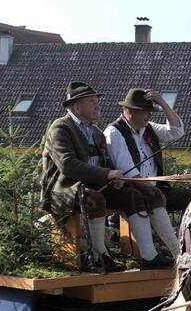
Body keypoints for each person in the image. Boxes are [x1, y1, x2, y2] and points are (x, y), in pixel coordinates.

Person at [41, 82, 147, 273]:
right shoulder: (60, 127)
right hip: (64, 189)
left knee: (134, 196)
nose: (98, 105)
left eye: (97, 101)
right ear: (77, 106)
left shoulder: (96, 131)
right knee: (95, 200)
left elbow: (103, 163)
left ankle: (149, 256)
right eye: (92, 102)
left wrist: (113, 178)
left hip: (94, 186)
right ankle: (99, 257)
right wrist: (106, 174)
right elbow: (68, 165)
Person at [103, 88, 191, 266]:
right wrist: (152, 188)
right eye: (146, 111)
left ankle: (190, 249)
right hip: (132, 189)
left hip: (154, 188)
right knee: (154, 196)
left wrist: (163, 103)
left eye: (151, 111)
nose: (150, 115)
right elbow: (127, 171)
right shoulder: (114, 132)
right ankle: (177, 254)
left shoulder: (148, 128)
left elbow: (176, 132)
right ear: (130, 111)